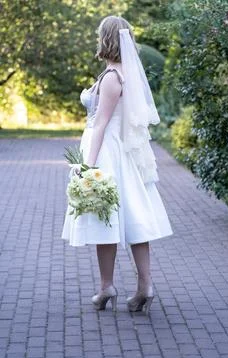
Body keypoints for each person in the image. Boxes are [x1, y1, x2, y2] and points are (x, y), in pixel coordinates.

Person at [61, 15, 173, 315]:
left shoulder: (112, 77)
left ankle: (109, 286)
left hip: (108, 153)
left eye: (100, 35)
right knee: (131, 218)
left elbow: (100, 124)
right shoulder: (122, 73)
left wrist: (87, 166)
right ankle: (139, 286)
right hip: (119, 151)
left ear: (106, 38)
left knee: (105, 217)